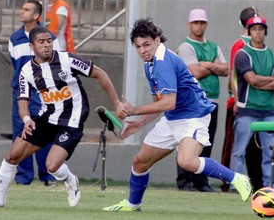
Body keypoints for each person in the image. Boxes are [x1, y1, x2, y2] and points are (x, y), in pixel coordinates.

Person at [103, 18, 252, 212]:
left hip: (194, 116)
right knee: (140, 161)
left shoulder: (163, 61)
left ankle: (237, 178)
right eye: (138, 46)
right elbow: (159, 103)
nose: (142, 50)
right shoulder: (150, 64)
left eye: (146, 44)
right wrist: (139, 123)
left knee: (186, 161)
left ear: (157, 40)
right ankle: (133, 204)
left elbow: (169, 102)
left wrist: (133, 110)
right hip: (173, 117)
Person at [0, 26, 126, 208]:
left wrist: (117, 103)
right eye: (41, 42)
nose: (46, 45)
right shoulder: (27, 71)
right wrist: (27, 120)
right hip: (46, 117)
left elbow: (100, 73)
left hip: (72, 118)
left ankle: (71, 180)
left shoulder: (67, 59)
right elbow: (22, 102)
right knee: (12, 156)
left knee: (52, 166)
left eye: (49, 41)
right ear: (32, 46)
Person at [8, 0, 61, 186]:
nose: (21, 12)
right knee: (20, 132)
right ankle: (23, 178)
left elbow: (56, 63)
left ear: (37, 16)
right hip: (20, 93)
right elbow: (15, 65)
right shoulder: (14, 39)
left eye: (26, 9)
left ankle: (48, 176)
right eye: (21, 8)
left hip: (42, 92)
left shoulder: (51, 38)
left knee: (43, 132)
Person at [176, 9, 229, 192]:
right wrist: (213, 65)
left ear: (206, 24)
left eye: (202, 22)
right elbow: (195, 72)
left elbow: (226, 70)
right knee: (187, 140)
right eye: (195, 22)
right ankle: (185, 181)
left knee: (206, 143)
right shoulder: (186, 46)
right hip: (192, 101)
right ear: (189, 24)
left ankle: (201, 182)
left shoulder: (213, 46)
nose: (199, 26)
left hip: (212, 100)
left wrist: (204, 64)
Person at [230, 16, 274, 189]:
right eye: (254, 29)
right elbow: (251, 80)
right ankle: (236, 186)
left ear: (265, 31)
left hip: (270, 110)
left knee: (270, 152)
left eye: (261, 28)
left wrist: (261, 81)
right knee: (239, 152)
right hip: (247, 109)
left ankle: (271, 187)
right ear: (249, 31)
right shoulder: (243, 53)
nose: (258, 32)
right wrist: (268, 80)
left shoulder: (273, 54)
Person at [220, 7, 263, 193]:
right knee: (233, 146)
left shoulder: (259, 45)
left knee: (255, 148)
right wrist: (236, 99)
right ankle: (228, 182)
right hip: (241, 104)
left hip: (257, 105)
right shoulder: (240, 44)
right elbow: (233, 74)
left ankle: (257, 184)